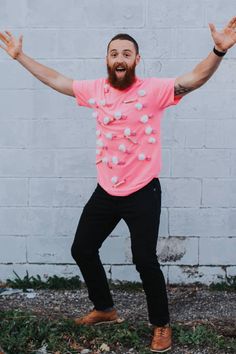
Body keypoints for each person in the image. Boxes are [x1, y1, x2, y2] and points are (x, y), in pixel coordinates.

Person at [1, 17, 236, 353]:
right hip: (106, 189)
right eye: (114, 53)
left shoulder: (154, 91)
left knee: (144, 259)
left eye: (127, 53)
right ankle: (105, 309)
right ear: (107, 60)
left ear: (136, 60)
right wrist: (20, 57)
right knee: (82, 248)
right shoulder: (96, 90)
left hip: (143, 190)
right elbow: (56, 79)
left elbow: (194, 79)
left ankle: (161, 325)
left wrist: (217, 50)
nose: (120, 58)